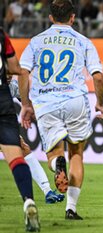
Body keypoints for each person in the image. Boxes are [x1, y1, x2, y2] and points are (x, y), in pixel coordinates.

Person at [18, 0, 103, 220]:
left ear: (50, 18)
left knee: (55, 153)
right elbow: (98, 76)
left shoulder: (36, 41)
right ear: (73, 17)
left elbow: (23, 73)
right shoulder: (83, 41)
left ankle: (57, 164)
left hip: (46, 102)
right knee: (76, 153)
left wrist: (26, 103)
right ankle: (71, 208)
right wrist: (100, 102)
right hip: (75, 99)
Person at [0, 28, 40, 232]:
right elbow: (18, 69)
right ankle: (28, 201)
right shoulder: (1, 34)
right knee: (15, 157)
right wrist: (25, 104)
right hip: (3, 100)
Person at [8, 78, 65, 204]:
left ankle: (48, 192)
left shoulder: (12, 85)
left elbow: (28, 104)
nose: (9, 76)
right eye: (6, 73)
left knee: (23, 148)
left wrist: (42, 117)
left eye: (10, 73)